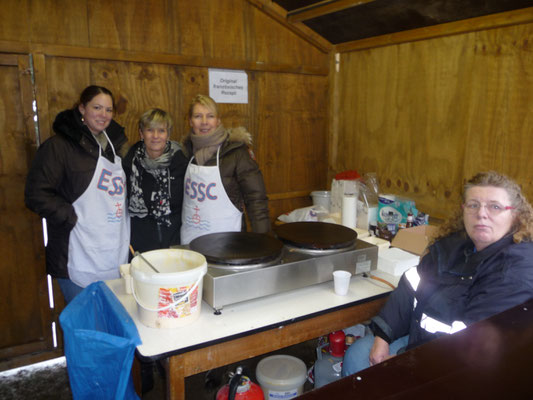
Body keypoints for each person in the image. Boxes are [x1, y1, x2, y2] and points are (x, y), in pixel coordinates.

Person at [342, 171, 533, 376]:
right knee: (357, 355)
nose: (481, 214)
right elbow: (412, 284)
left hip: (459, 368)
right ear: (463, 210)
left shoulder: (514, 270)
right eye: (473, 205)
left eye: (495, 207)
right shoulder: (454, 246)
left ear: (514, 215)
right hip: (423, 342)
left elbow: (473, 348)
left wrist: (407, 364)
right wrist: (383, 336)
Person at [25, 85, 130, 303]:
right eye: (97, 107)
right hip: (76, 250)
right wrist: (72, 216)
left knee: (112, 319)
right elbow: (36, 194)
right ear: (82, 108)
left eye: (109, 110)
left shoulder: (114, 146)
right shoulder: (59, 147)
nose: (103, 115)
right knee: (85, 325)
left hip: (112, 249)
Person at [180, 94, 270, 244]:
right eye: (198, 116)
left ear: (218, 120)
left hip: (228, 243)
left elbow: (256, 200)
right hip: (190, 242)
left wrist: (265, 242)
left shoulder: (237, 153)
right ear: (190, 121)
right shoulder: (185, 151)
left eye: (210, 116)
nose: (204, 122)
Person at [123, 108, 188, 254]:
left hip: (174, 245)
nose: (156, 136)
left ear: (168, 134)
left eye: (161, 131)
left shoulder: (182, 164)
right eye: (150, 130)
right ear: (141, 133)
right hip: (139, 248)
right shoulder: (128, 164)